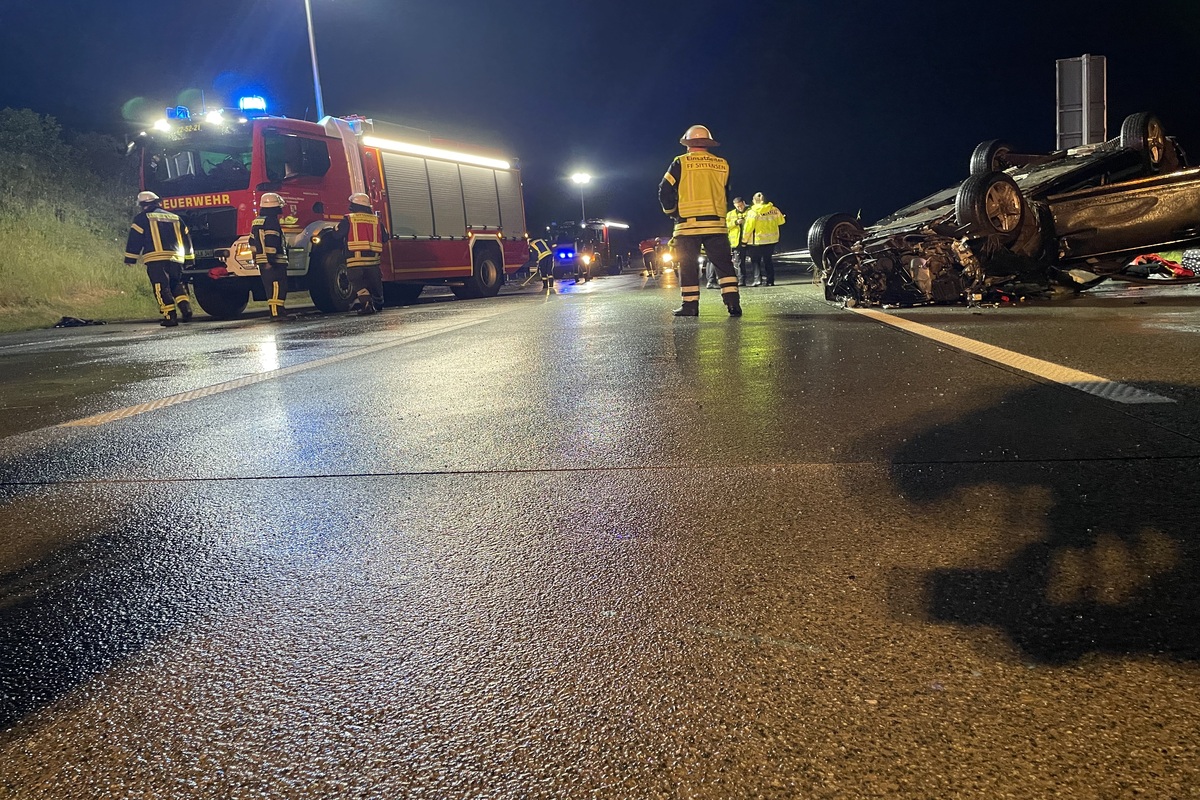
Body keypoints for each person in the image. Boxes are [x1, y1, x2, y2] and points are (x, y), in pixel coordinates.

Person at [657, 124, 741, 317]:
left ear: (688, 144)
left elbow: (664, 190)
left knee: (688, 265)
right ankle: (733, 304)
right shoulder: (722, 164)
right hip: (717, 224)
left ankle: (690, 305)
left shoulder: (681, 162)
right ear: (707, 144)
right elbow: (726, 192)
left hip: (688, 225)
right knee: (723, 264)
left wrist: (672, 211)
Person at [123, 191, 194, 327]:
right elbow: (186, 239)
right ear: (157, 202)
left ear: (142, 204)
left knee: (161, 287)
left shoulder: (141, 218)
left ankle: (170, 317)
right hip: (176, 259)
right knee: (176, 284)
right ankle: (186, 309)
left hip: (156, 259)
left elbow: (135, 240)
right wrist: (189, 259)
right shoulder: (175, 217)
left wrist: (130, 258)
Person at [335, 192, 388, 314]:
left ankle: (366, 304)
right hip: (373, 260)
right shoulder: (376, 221)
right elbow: (385, 237)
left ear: (354, 204)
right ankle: (378, 303)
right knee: (375, 282)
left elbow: (337, 234)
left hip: (354, 258)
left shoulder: (349, 219)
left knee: (358, 281)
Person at [248, 192, 289, 321]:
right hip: (274, 260)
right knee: (277, 286)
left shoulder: (257, 221)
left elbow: (251, 241)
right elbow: (271, 240)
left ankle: (276, 311)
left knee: (270, 287)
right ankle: (277, 313)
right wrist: (271, 260)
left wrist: (256, 257)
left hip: (262, 260)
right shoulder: (271, 221)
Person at [743, 191, 785, 286]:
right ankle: (770, 280)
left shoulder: (753, 212)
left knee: (755, 261)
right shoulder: (774, 209)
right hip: (772, 240)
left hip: (757, 241)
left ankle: (757, 280)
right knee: (768, 260)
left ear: (754, 201)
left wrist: (744, 240)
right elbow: (781, 221)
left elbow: (748, 228)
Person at [726, 196, 750, 286]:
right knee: (739, 262)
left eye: (740, 205)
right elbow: (726, 225)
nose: (740, 208)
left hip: (750, 240)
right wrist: (735, 222)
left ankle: (757, 279)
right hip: (737, 241)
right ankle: (741, 280)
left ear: (744, 203)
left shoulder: (750, 211)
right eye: (737, 206)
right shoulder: (730, 214)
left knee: (756, 261)